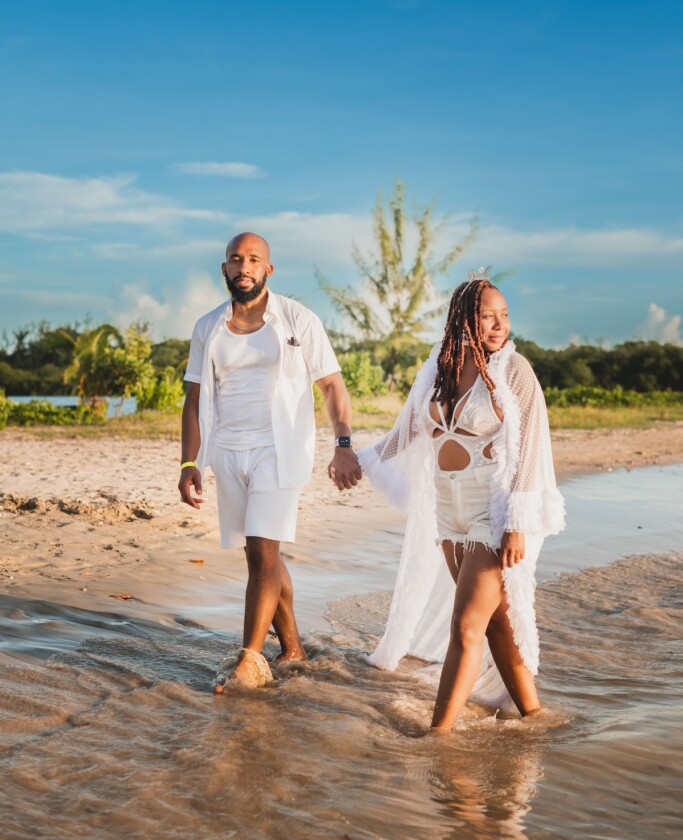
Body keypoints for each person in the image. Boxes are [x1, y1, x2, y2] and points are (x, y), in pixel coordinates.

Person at [358, 268, 565, 731]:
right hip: (447, 514)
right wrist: (363, 459)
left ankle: (438, 736)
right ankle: (535, 716)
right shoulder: (438, 368)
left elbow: (530, 448)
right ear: (462, 320)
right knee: (493, 626)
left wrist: (516, 522)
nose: (499, 326)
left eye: (505, 316)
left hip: (493, 511)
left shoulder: (515, 371)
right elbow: (408, 430)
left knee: (465, 626)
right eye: (488, 317)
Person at [178, 232, 362, 691]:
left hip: (280, 451)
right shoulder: (208, 327)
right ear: (224, 269)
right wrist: (188, 463)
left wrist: (344, 443)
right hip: (228, 452)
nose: (245, 266)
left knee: (263, 553)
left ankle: (249, 662)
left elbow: (333, 387)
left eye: (254, 259)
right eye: (236, 259)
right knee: (263, 555)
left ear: (268, 270)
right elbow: (193, 400)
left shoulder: (298, 319)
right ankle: (294, 648)